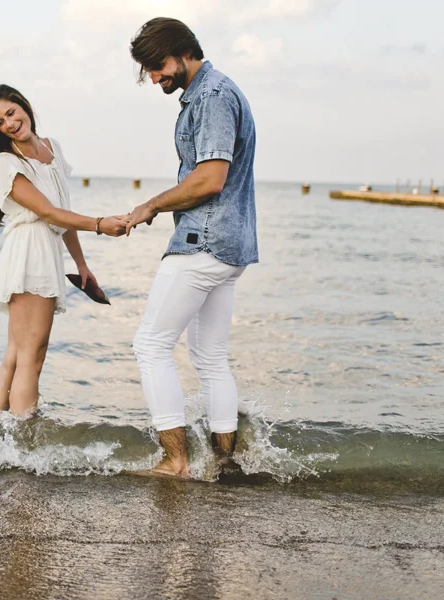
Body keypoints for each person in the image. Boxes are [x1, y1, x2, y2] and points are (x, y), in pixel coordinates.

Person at [124, 18, 258, 477]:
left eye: (157, 66)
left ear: (184, 52)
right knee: (210, 356)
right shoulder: (215, 91)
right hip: (230, 245)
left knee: (150, 345)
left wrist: (150, 206)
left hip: (205, 241)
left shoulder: (212, 96)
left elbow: (210, 178)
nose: (154, 78)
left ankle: (175, 461)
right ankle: (225, 461)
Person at [0, 84, 129, 416]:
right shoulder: (4, 162)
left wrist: (81, 264)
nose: (10, 123)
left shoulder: (51, 147)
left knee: (19, 353)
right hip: (30, 251)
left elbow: (63, 211)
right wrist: (100, 224)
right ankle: (20, 435)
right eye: (0, 122)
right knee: (31, 355)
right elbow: (49, 213)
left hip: (46, 250)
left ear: (23, 106)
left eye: (11, 113)